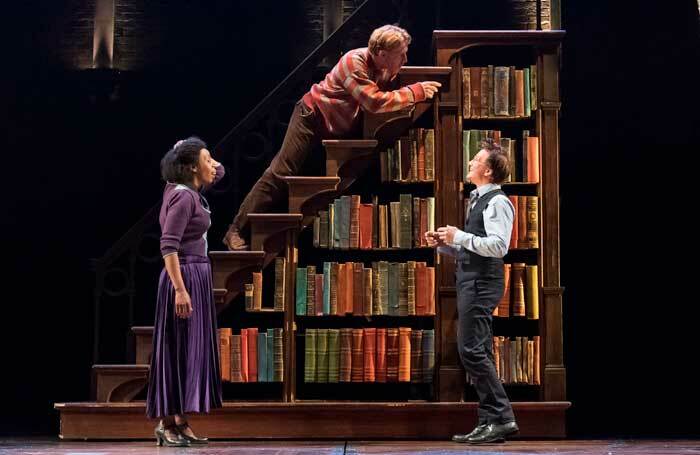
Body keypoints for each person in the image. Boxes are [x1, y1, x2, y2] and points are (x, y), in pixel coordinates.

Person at [223, 24, 442, 250]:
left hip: (338, 123)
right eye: (401, 54)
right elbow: (374, 102)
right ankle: (236, 229)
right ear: (382, 54)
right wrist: (415, 92)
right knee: (281, 172)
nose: (406, 59)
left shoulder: (386, 68)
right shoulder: (353, 62)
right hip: (312, 114)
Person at [425, 139, 519, 444]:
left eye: (475, 160)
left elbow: (497, 246)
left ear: (489, 171)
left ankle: (502, 418)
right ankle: (489, 421)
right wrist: (446, 245)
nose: (470, 164)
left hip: (482, 282)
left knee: (471, 350)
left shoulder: (498, 202)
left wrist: (459, 235)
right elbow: (473, 248)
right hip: (471, 280)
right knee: (480, 350)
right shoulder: (478, 199)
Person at [146, 137, 225, 447]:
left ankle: (179, 421)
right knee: (177, 350)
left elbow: (219, 172)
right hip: (184, 277)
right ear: (192, 167)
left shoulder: (185, 188)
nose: (214, 165)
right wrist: (180, 290)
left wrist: (190, 148)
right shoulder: (184, 198)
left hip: (196, 275)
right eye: (207, 159)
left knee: (188, 349)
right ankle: (166, 423)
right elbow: (168, 247)